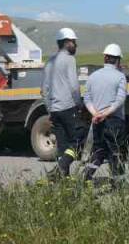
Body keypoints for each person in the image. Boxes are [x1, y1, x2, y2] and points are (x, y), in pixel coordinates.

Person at [40, 27, 85, 178]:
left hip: (54, 109)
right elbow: (73, 85)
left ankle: (63, 180)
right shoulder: (69, 59)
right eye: (73, 42)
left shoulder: (50, 62)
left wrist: (49, 109)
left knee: (62, 146)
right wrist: (79, 104)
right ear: (66, 42)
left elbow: (44, 89)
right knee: (78, 141)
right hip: (68, 108)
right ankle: (61, 167)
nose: (75, 45)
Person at [82, 43, 128, 182]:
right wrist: (106, 114)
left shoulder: (93, 77)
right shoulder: (120, 77)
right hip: (114, 121)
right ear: (118, 60)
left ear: (105, 58)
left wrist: (96, 113)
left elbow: (87, 98)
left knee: (98, 151)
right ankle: (118, 183)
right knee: (116, 153)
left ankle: (86, 178)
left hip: (97, 121)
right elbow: (120, 100)